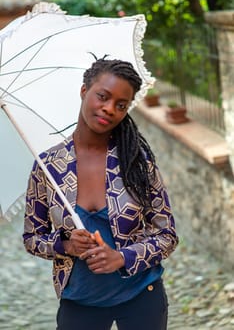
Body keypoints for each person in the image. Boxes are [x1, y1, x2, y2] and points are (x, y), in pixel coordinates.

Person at [23, 58, 179, 330]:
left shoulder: (136, 162)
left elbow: (167, 235)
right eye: (103, 97)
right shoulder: (48, 167)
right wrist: (65, 245)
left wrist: (122, 258)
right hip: (80, 304)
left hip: (142, 297)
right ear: (84, 91)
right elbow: (32, 238)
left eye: (121, 105)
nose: (109, 109)